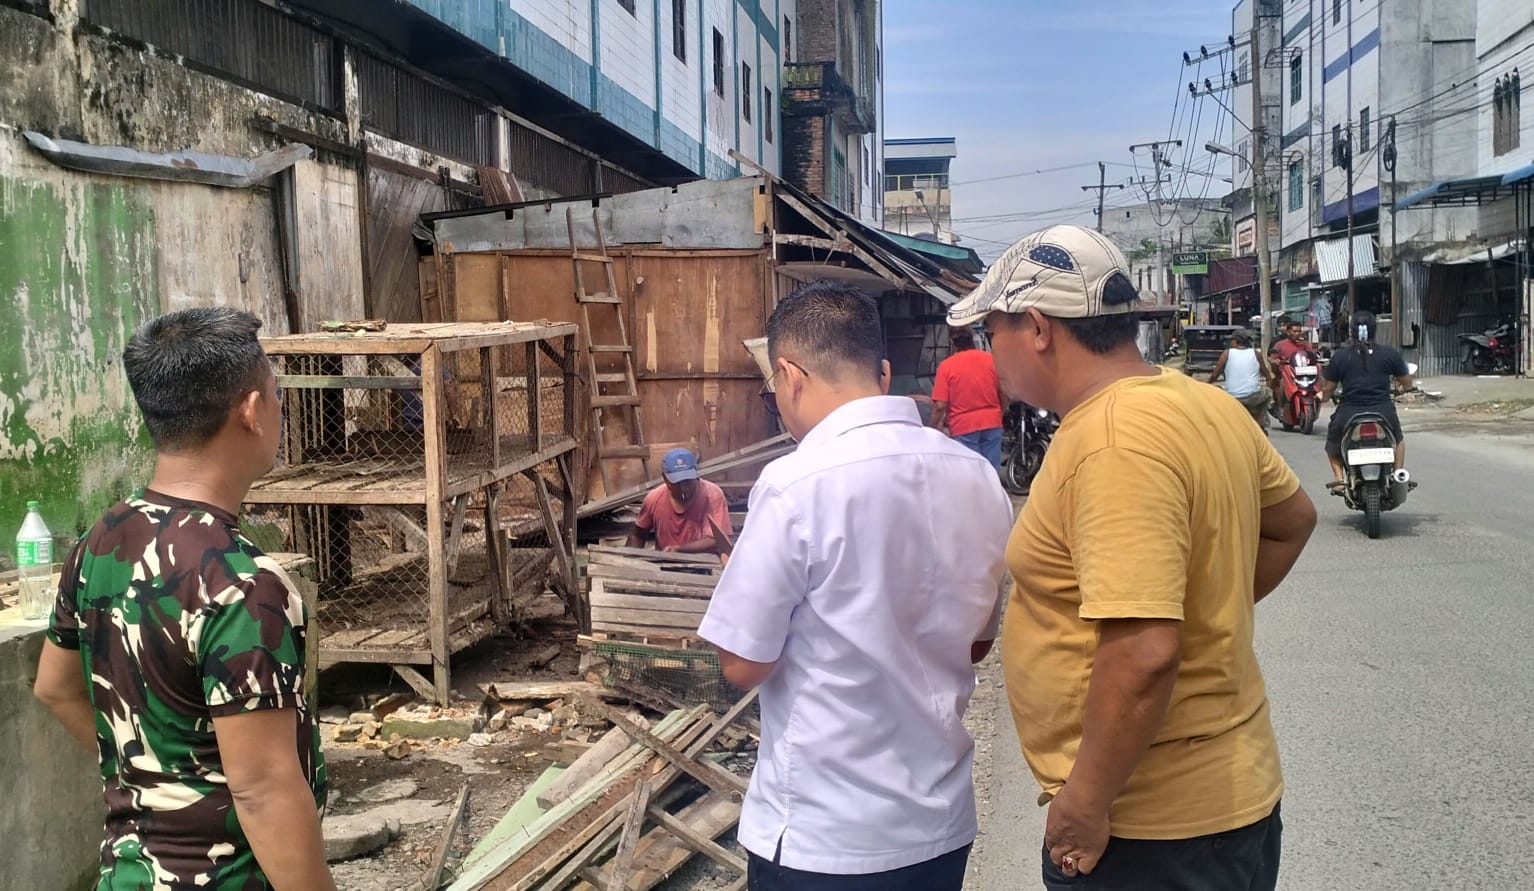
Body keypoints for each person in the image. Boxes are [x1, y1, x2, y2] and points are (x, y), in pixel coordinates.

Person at [946, 224, 1317, 890]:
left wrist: (1084, 803)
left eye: (989, 332)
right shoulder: (1203, 404)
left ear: (1036, 327)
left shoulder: (1114, 437)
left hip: (1151, 828)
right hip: (1219, 808)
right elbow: (1292, 521)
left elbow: (1145, 650)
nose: (989, 352)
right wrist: (1204, 609)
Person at [698, 279, 1013, 890]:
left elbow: (740, 663)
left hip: (828, 835)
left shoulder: (795, 483)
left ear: (789, 374)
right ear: (885, 373)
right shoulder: (978, 477)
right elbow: (976, 644)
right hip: (938, 824)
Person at [31, 308, 335, 890]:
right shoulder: (245, 585)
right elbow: (264, 789)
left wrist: (156, 779)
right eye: (275, 394)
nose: (277, 409)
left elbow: (54, 688)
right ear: (250, 411)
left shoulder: (101, 539)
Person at [1320, 310, 1413, 489]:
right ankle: (1397, 475)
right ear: (1374, 330)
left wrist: (1323, 397)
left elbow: (1329, 389)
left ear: (1351, 331)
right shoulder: (1389, 353)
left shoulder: (1341, 355)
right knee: (1398, 438)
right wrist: (1402, 389)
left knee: (1332, 443)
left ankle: (1339, 480)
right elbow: (1407, 383)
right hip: (1383, 410)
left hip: (1349, 411)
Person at [626, 447, 732, 554]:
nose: (683, 487)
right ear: (665, 479)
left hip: (704, 564)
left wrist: (679, 550)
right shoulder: (654, 499)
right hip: (665, 562)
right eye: (677, 482)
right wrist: (630, 560)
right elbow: (637, 535)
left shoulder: (712, 494)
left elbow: (716, 540)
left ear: (696, 474)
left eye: (687, 481)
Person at [931, 327, 1006, 468]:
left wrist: (932, 426)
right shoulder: (991, 360)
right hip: (992, 421)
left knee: (970, 471)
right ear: (972, 339)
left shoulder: (946, 367)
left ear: (952, 342)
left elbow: (940, 406)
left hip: (963, 426)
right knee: (990, 471)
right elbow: (1005, 392)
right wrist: (1000, 413)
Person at [1209, 329, 1276, 430]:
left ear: (1235, 341)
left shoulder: (1227, 354)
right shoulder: (1256, 354)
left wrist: (1207, 384)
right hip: (1253, 397)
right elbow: (1268, 376)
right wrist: (1269, 385)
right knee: (1267, 394)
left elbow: (1215, 375)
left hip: (1232, 396)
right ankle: (1259, 421)